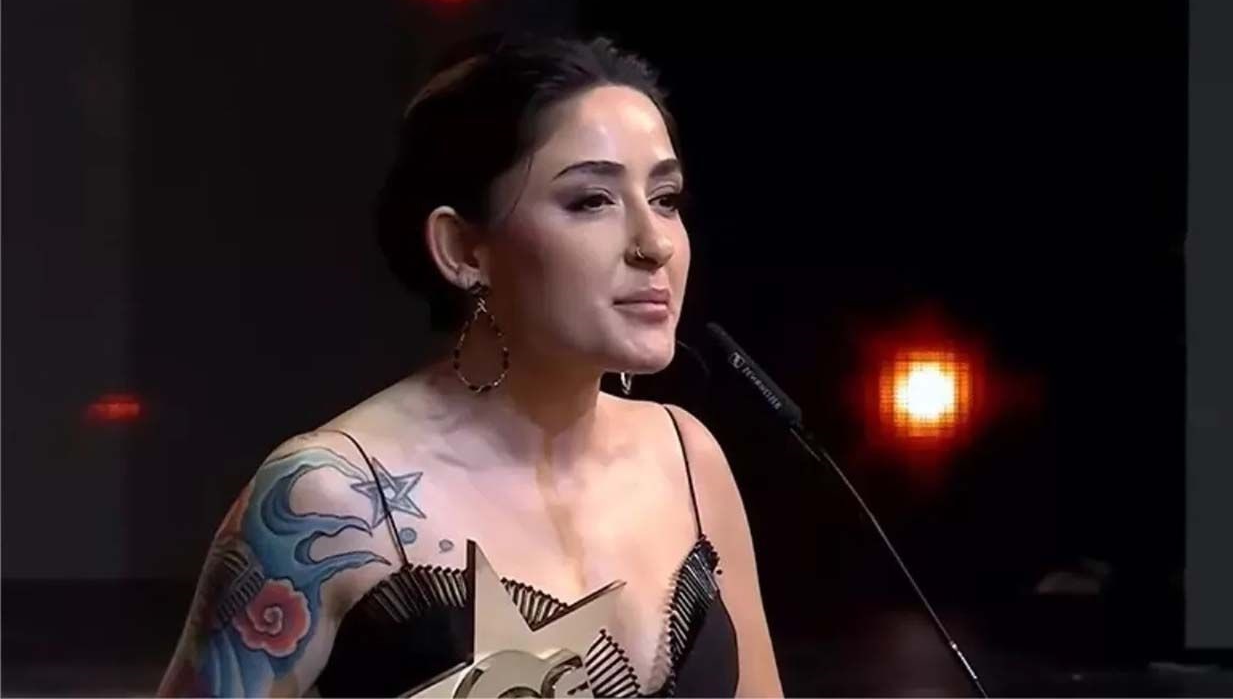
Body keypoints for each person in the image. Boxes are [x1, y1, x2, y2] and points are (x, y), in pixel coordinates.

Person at [157, 34, 783, 698]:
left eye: (665, 198)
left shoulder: (686, 457)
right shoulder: (329, 498)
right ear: (462, 249)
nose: (655, 244)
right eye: (591, 201)